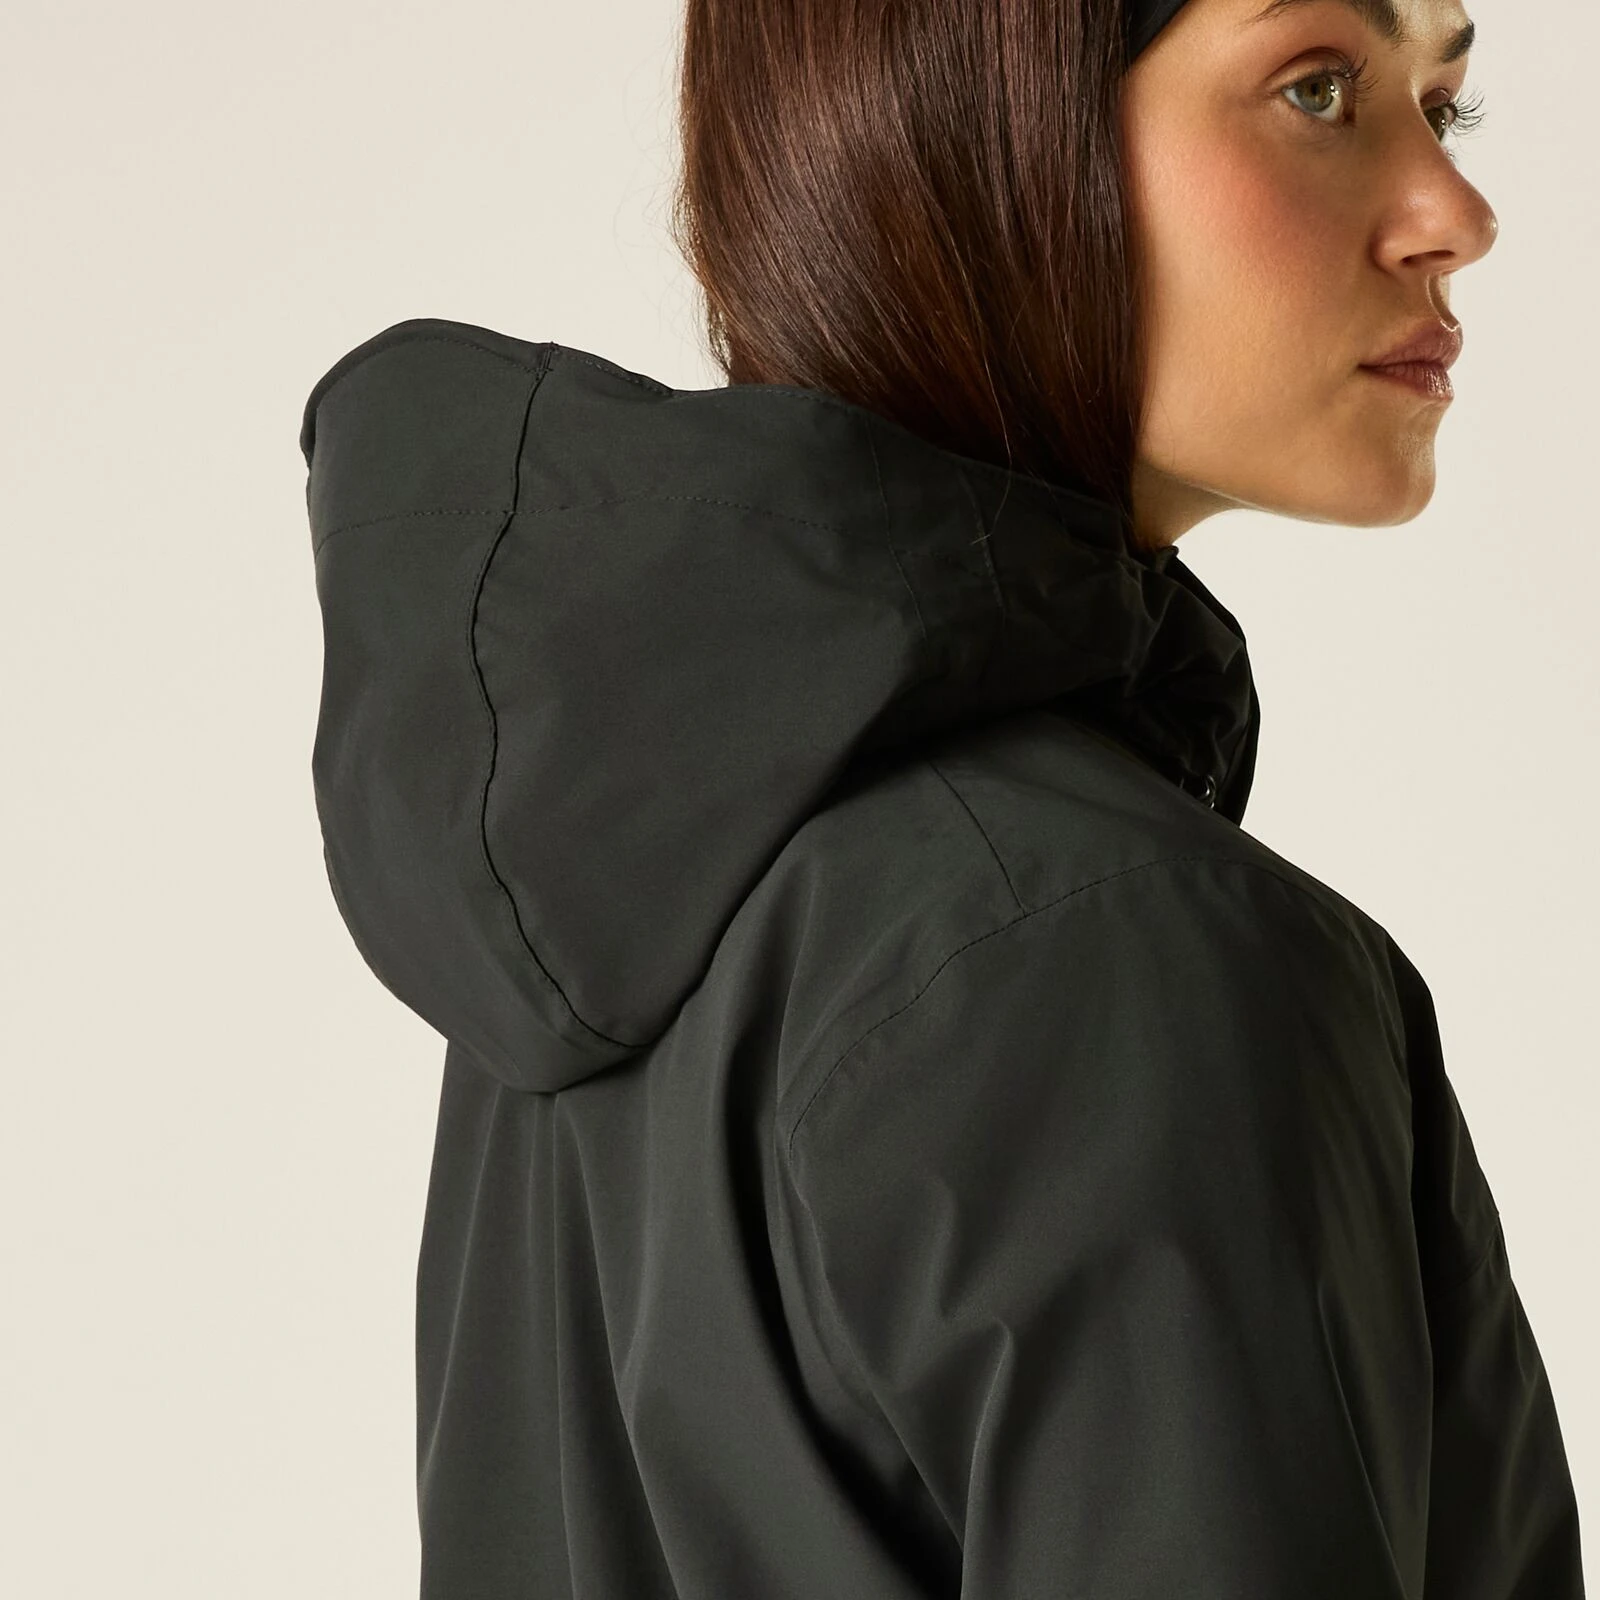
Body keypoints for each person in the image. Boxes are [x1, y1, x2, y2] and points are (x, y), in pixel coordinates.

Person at [299, 0, 1585, 1594]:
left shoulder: (634, 871)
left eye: (1443, 107)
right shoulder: (1113, 949)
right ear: (979, 127)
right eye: (1318, 87)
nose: (1454, 213)